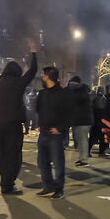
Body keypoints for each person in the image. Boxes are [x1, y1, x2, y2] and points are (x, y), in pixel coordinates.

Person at [0, 53, 38, 195]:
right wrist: (33, 55)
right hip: (14, 123)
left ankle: (4, 183)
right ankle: (8, 184)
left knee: (3, 154)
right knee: (14, 154)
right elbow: (32, 72)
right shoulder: (19, 83)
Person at [35, 66, 72, 199]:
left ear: (48, 76)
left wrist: (61, 128)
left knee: (58, 162)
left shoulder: (62, 94)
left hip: (55, 135)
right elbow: (38, 109)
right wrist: (39, 124)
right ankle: (48, 185)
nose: (41, 77)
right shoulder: (42, 94)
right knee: (42, 161)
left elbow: (70, 114)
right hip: (43, 133)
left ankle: (59, 189)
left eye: (43, 75)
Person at [67, 76, 93, 167]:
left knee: (83, 141)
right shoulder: (80, 91)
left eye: (71, 84)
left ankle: (84, 160)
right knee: (80, 141)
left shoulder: (82, 91)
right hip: (79, 120)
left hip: (83, 121)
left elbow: (78, 100)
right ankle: (82, 158)